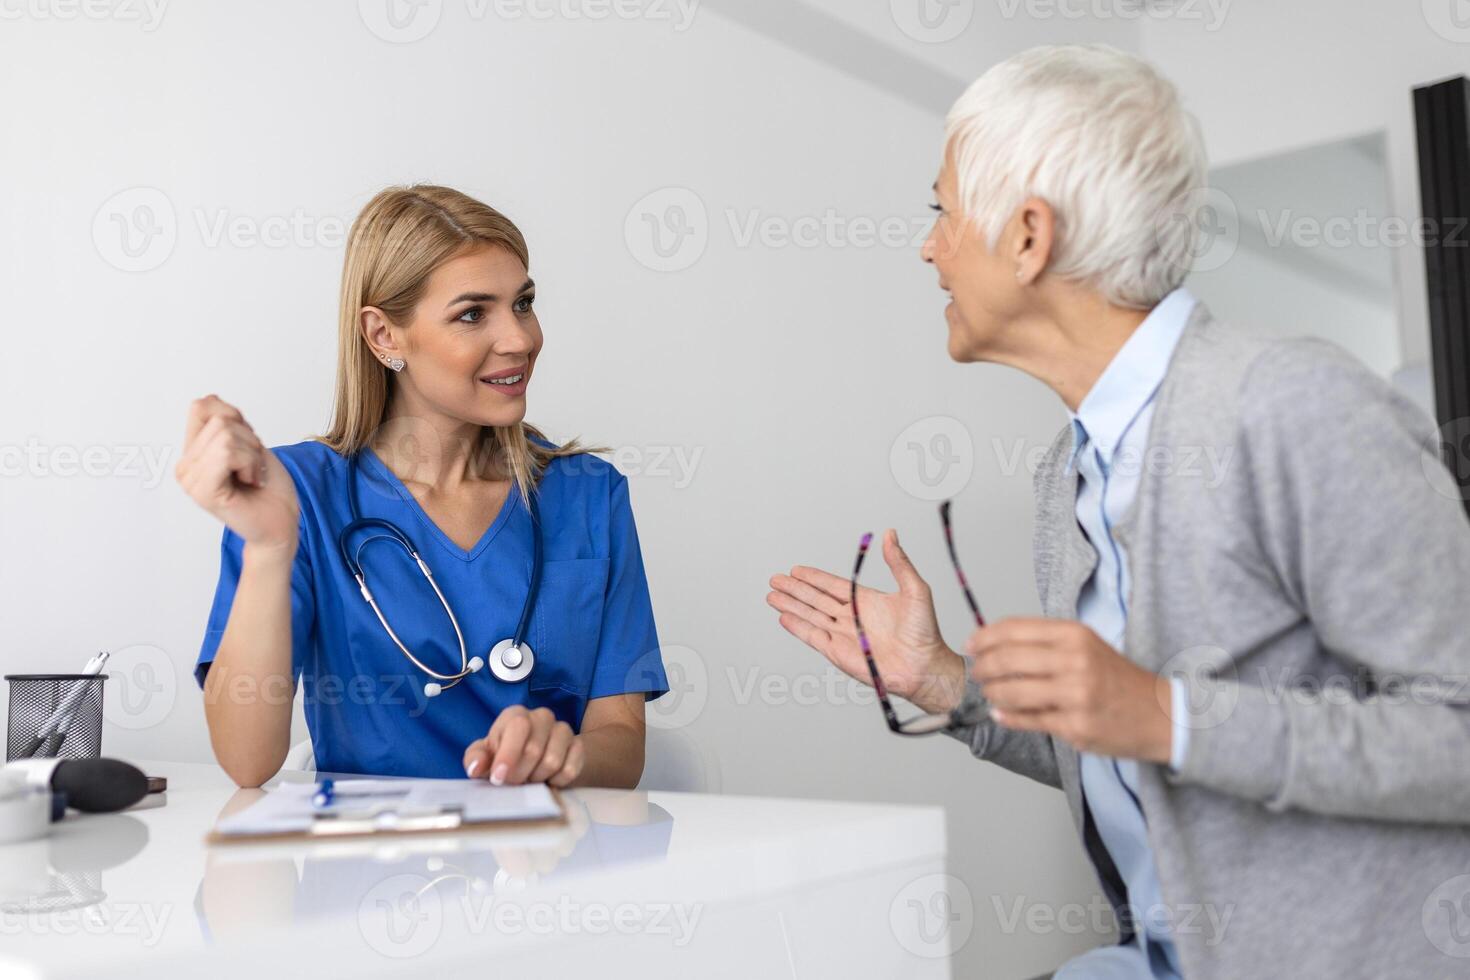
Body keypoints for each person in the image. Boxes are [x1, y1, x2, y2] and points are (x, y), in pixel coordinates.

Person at [767, 44, 1470, 979]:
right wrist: (943, 680)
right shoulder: (1069, 471)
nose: (928, 245)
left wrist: (1169, 716)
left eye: (941, 211)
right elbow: (1115, 740)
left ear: (1027, 237)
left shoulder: (1292, 402)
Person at [177, 185, 667, 789]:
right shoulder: (292, 495)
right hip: (370, 870)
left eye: (523, 303)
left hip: (546, 864)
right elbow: (247, 764)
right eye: (471, 314)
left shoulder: (590, 497)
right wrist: (270, 547)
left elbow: (621, 743)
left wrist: (563, 757)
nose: (519, 339)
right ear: (384, 336)